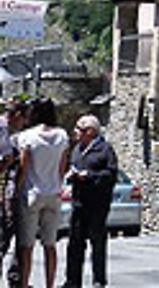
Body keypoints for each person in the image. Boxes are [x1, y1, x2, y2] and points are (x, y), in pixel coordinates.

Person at [16, 98, 68, 288]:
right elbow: (62, 167)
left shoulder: (27, 136)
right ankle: (50, 284)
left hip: (32, 193)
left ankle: (24, 283)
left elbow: (24, 166)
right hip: (53, 193)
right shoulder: (62, 135)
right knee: (50, 245)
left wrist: (18, 190)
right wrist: (57, 184)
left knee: (27, 246)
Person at [62, 115, 117, 288]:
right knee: (75, 244)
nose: (75, 132)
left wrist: (90, 176)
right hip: (78, 203)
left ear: (91, 131)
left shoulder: (105, 150)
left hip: (97, 205)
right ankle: (72, 281)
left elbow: (111, 175)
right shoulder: (78, 149)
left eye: (79, 129)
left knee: (97, 244)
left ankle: (99, 281)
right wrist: (72, 176)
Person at [0, 101, 27, 288]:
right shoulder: (3, 128)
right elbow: (7, 158)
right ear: (16, 115)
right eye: (23, 118)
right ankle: (15, 279)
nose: (24, 123)